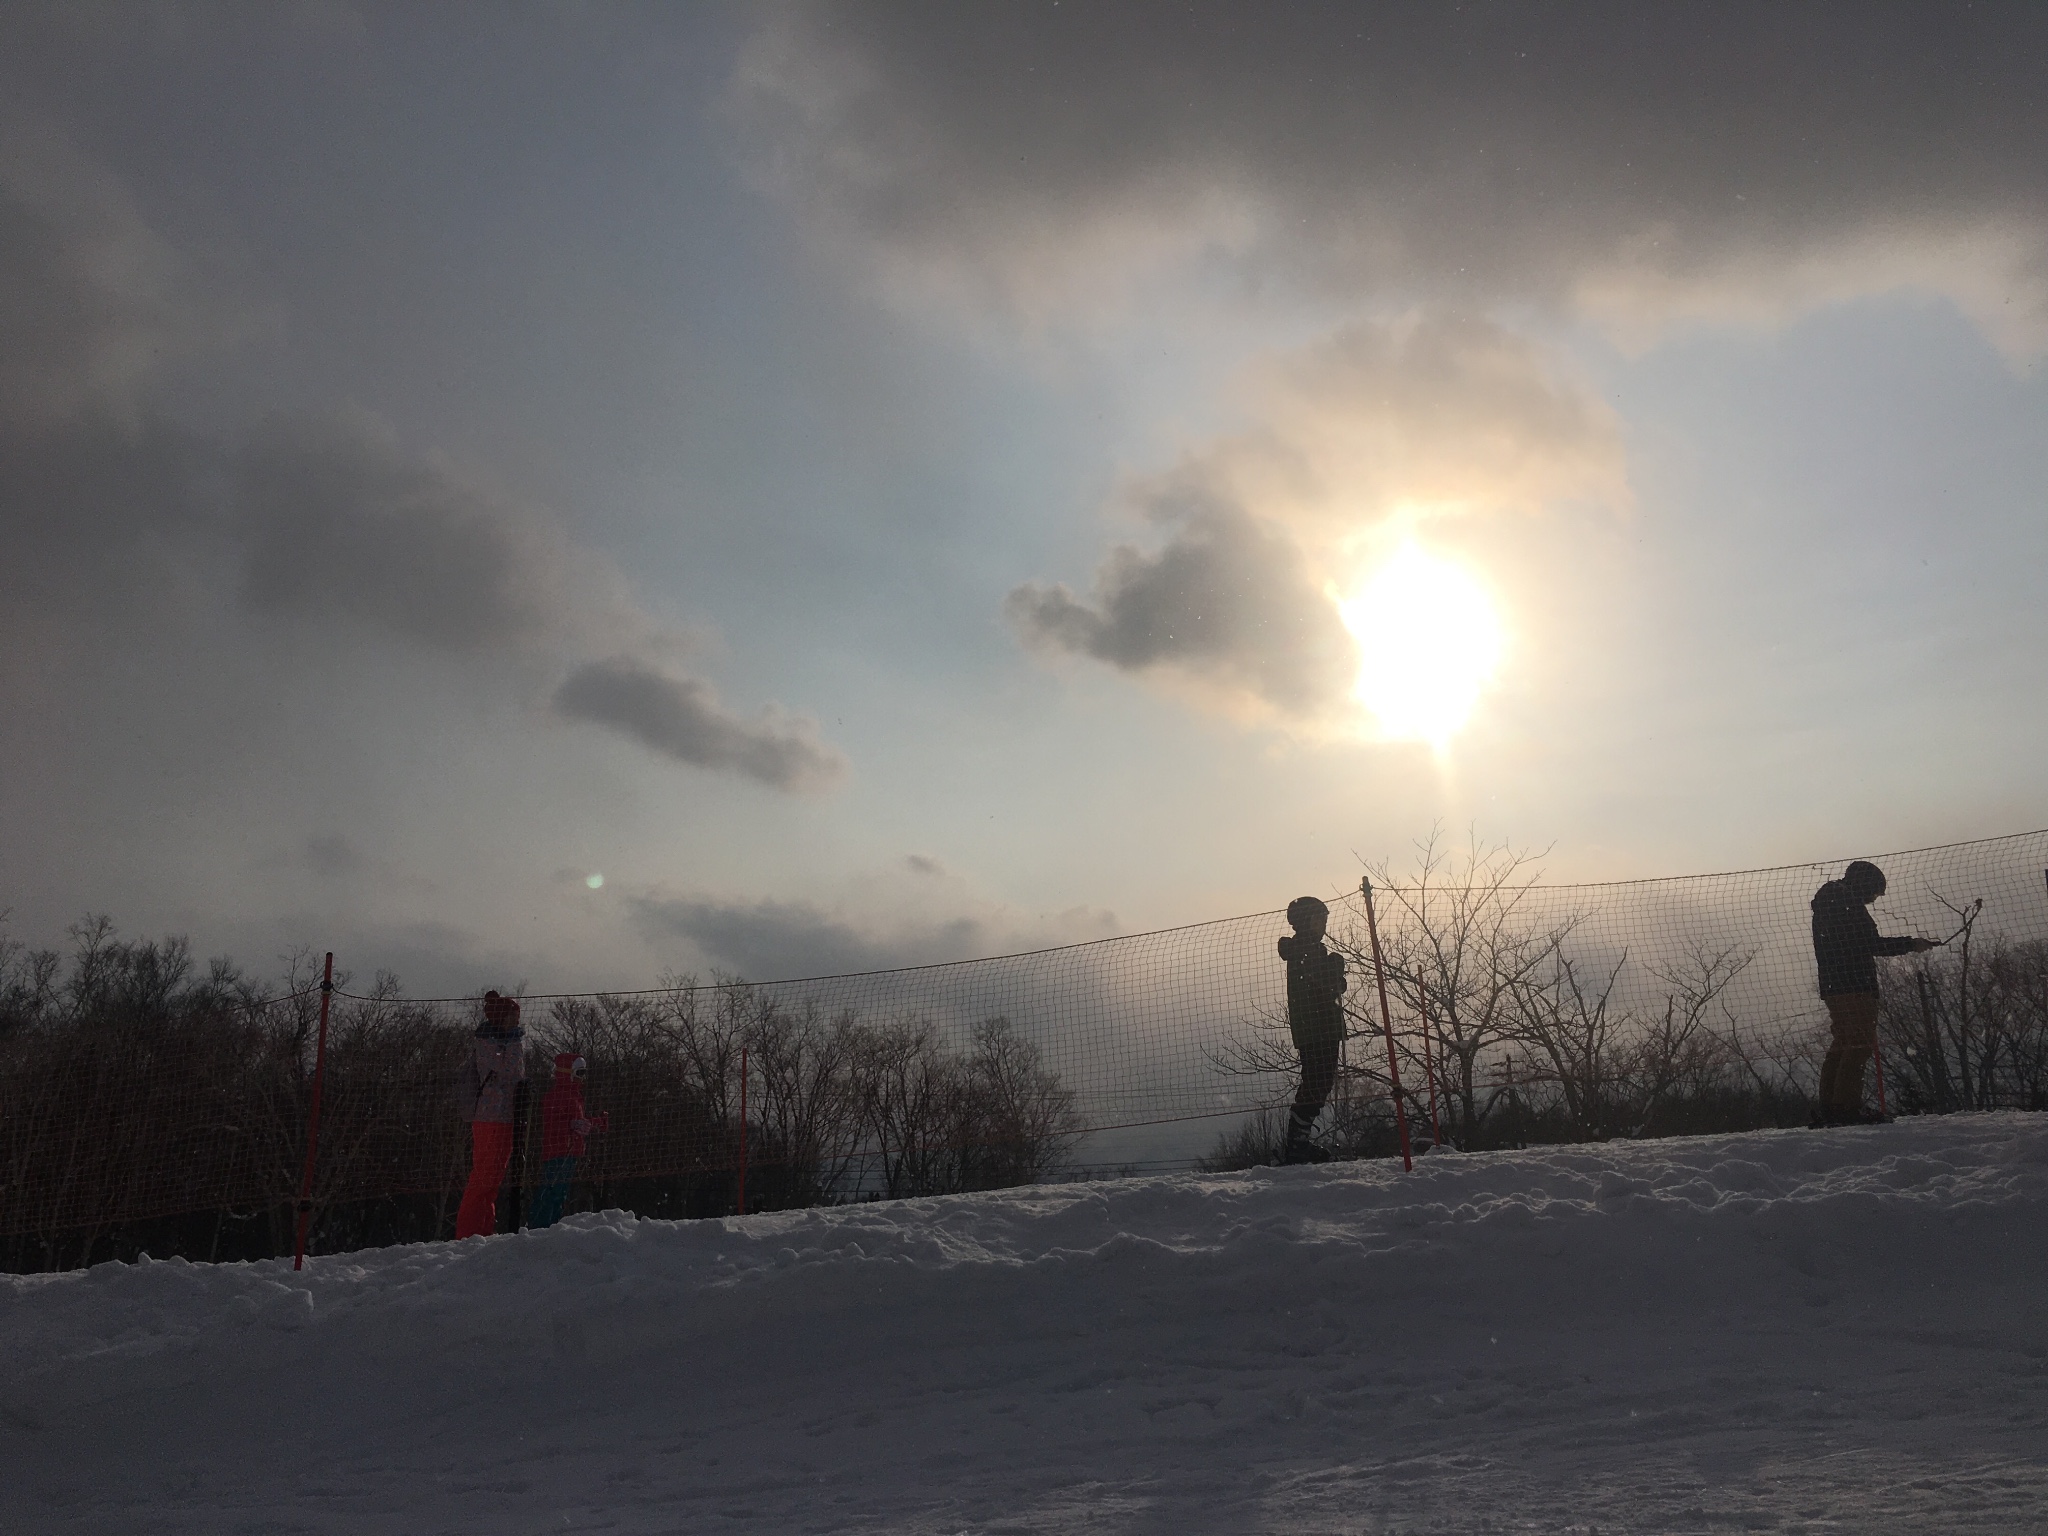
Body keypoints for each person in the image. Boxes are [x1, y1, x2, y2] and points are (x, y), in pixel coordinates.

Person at [1810, 861, 1934, 1126]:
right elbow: (1870, 944)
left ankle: (1830, 1107)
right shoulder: (1848, 906)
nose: (1874, 900)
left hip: (1833, 984)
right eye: (1875, 893)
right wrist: (1910, 944)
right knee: (1858, 1044)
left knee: (1842, 1043)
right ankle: (1845, 1109)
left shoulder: (1829, 903)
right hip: (1855, 983)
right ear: (1865, 884)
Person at [1278, 895, 1347, 1163]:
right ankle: (1297, 1144)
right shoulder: (1306, 951)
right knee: (1317, 1084)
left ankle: (1298, 1142)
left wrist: (1333, 970)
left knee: (1316, 1083)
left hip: (1314, 1027)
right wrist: (1335, 967)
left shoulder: (1303, 951)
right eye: (1320, 919)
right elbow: (1329, 984)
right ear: (1306, 921)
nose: (1323, 924)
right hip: (1319, 1027)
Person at [453, 989, 527, 1238]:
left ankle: (483, 1229)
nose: (517, 1021)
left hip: (502, 1117)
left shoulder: (500, 1040)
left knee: (492, 1180)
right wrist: (515, 1041)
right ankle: (469, 1231)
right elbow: (511, 1071)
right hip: (491, 1117)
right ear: (502, 1017)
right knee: (483, 1178)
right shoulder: (489, 1042)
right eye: (513, 1016)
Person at [529, 1053, 608, 1230]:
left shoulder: (575, 1096)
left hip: (569, 1150)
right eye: (579, 1073)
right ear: (567, 1072)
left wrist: (594, 1123)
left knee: (560, 1193)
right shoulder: (555, 1096)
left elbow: (575, 1121)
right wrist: (572, 1125)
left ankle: (551, 1226)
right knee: (551, 1190)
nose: (582, 1078)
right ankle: (539, 1227)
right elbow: (552, 1123)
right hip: (557, 1151)